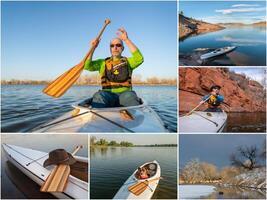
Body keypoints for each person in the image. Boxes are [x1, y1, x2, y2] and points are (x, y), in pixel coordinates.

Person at [84, 28, 144, 108]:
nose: (115, 47)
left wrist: (126, 40)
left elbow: (139, 58)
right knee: (99, 95)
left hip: (126, 95)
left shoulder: (129, 62)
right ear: (110, 49)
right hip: (107, 95)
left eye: (118, 45)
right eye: (112, 46)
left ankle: (132, 117)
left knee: (130, 96)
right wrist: (92, 48)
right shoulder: (102, 63)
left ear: (122, 48)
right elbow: (87, 66)